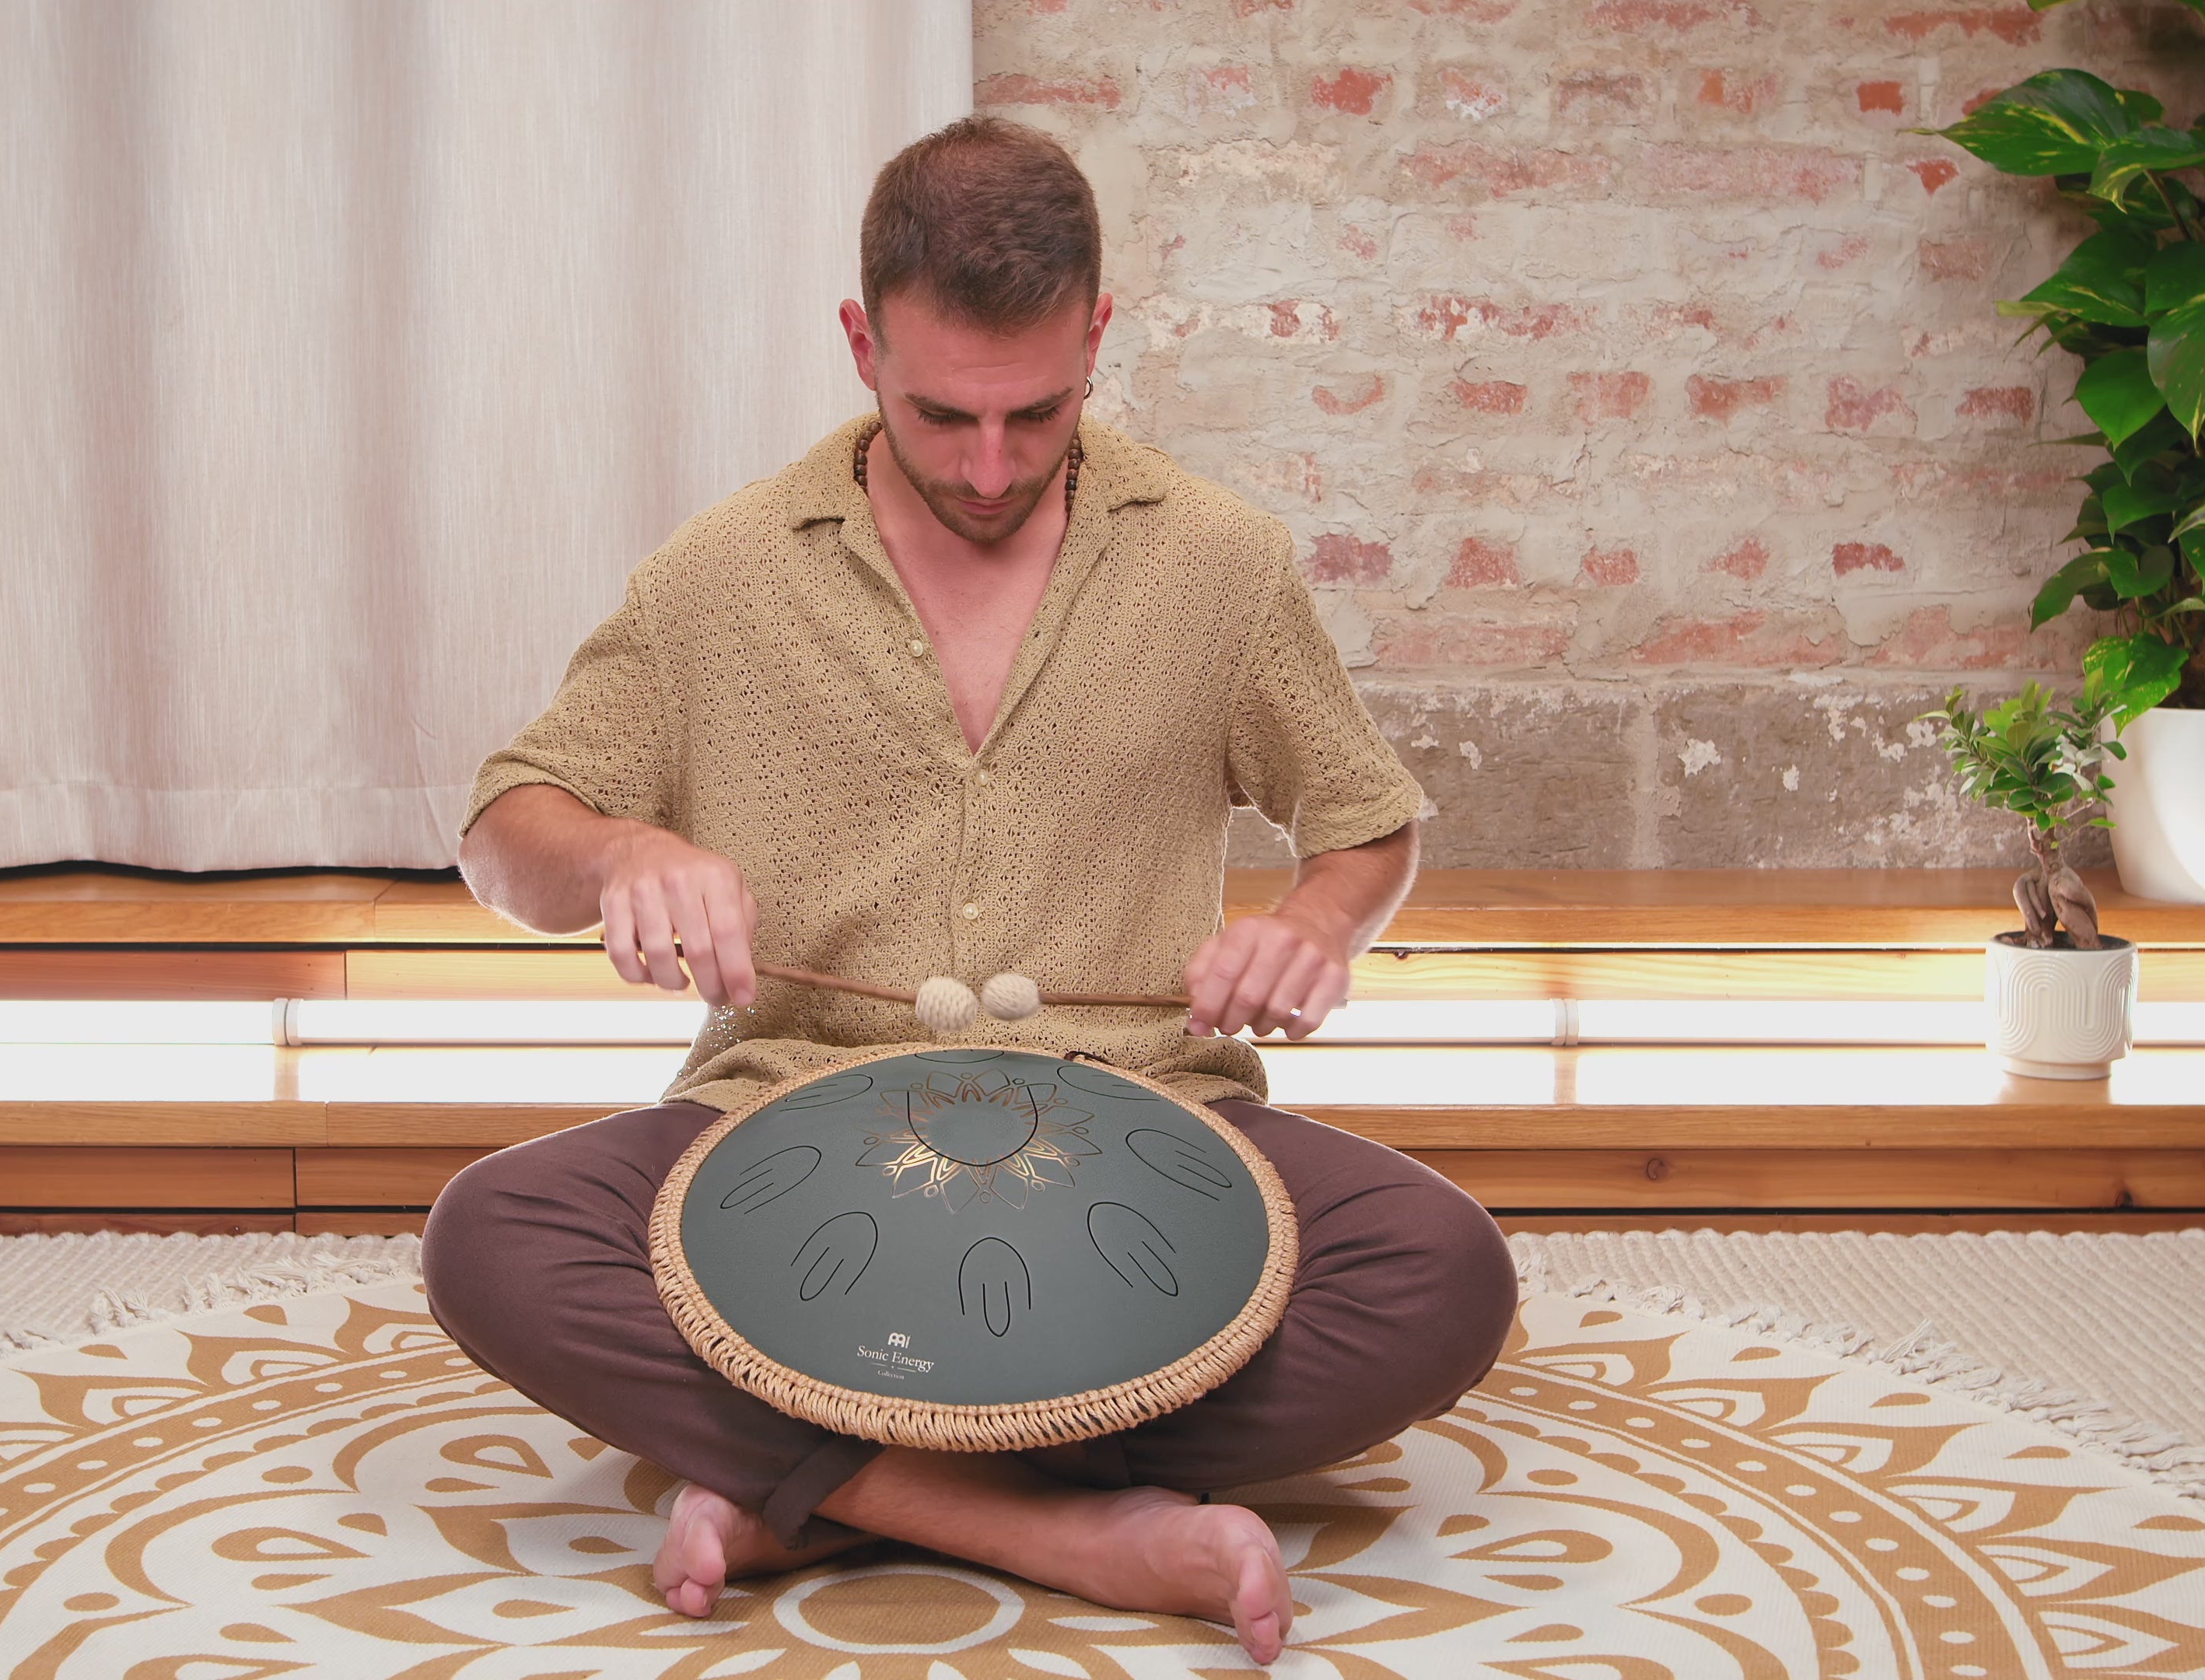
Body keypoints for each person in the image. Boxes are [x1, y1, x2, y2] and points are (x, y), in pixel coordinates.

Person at [426, 116, 1515, 1667]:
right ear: (861, 343)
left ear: (1097, 336)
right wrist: (619, 854)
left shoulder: (1223, 565)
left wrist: (1315, 924)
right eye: (942, 415)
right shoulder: (721, 573)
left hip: (1152, 1123)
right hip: (780, 1122)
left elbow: (1366, 826)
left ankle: (816, 1487)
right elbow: (501, 831)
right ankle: (1071, 1528)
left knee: (1444, 1275)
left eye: (1038, 413)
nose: (990, 468)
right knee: (493, 1236)